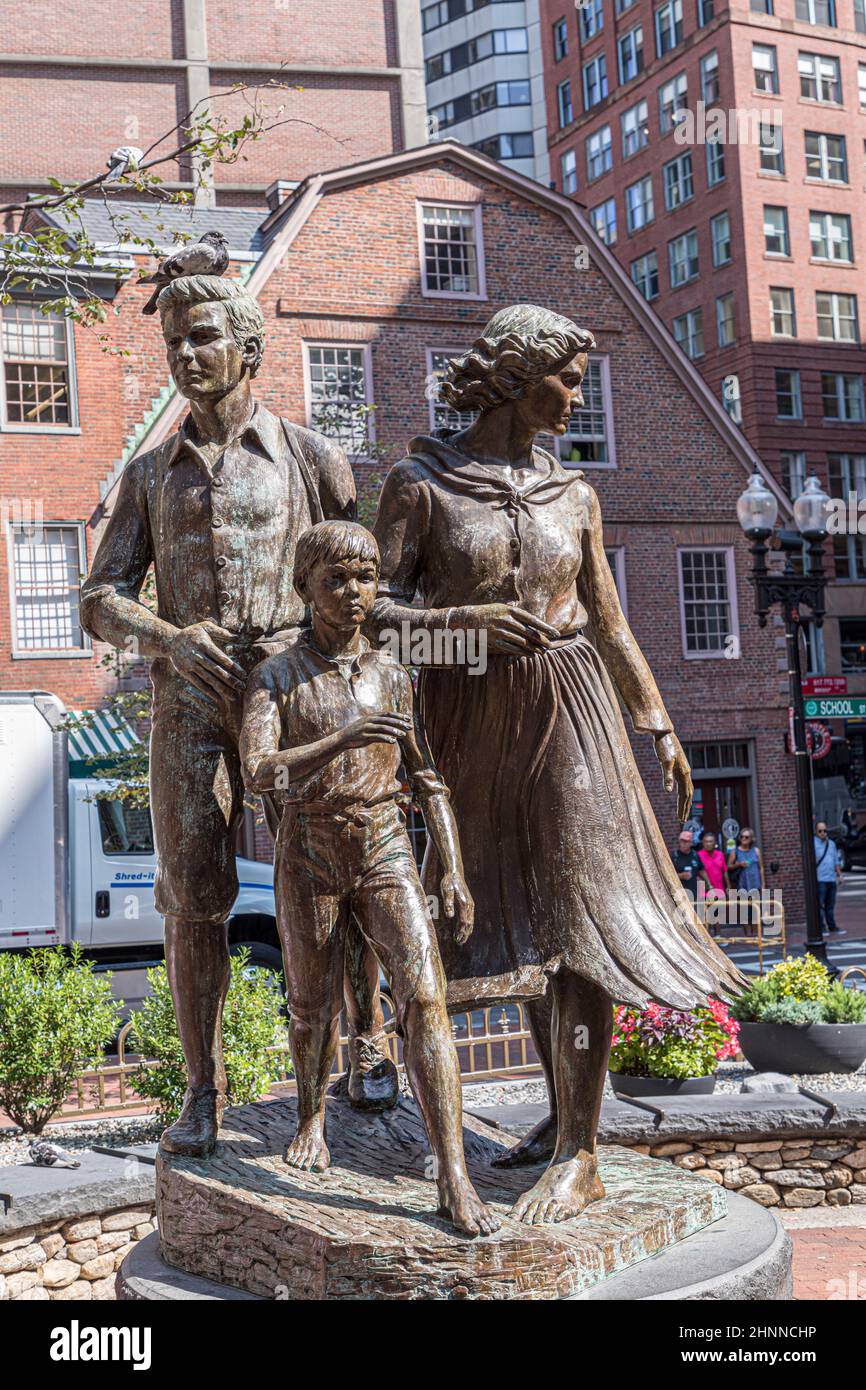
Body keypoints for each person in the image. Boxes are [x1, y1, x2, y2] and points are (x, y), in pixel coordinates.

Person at [372, 303, 742, 1224]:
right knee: (503, 923)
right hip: (468, 721)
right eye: (567, 377)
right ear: (512, 375)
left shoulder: (573, 495)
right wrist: (465, 632)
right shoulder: (421, 484)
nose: (577, 396)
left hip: (573, 709)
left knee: (581, 912)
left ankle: (581, 1145)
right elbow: (372, 622)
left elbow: (608, 622)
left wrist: (655, 719)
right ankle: (557, 1115)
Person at [79, 272, 395, 1157]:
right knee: (191, 898)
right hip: (187, 706)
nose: (185, 354)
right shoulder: (150, 476)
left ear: (249, 347)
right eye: (174, 341)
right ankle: (202, 1089)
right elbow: (98, 597)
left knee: (344, 871)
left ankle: (367, 1041)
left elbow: (360, 575)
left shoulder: (307, 456)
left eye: (203, 336)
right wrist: (169, 638)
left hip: (298, 700)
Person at [239, 521, 499, 1238]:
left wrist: (452, 867)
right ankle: (310, 1117)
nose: (355, 593)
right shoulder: (277, 675)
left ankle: (452, 1170)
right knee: (309, 1001)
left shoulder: (392, 674)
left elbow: (428, 779)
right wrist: (342, 738)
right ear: (304, 588)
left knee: (425, 998)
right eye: (337, 579)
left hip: (385, 845)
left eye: (366, 578)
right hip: (310, 847)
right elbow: (262, 769)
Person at [815, 821, 845, 936]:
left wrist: (839, 875)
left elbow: (835, 862)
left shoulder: (831, 844)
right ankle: (822, 928)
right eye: (820, 831)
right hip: (820, 879)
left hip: (831, 879)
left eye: (824, 831)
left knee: (830, 905)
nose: (823, 833)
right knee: (820, 905)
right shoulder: (813, 843)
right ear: (816, 832)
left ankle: (832, 926)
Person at [673, 830, 701, 898]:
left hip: (695, 892)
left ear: (691, 843)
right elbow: (668, 876)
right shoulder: (674, 856)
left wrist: (708, 884)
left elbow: (701, 870)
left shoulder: (695, 855)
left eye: (686, 841)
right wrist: (681, 875)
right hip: (681, 894)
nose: (683, 843)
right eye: (682, 841)